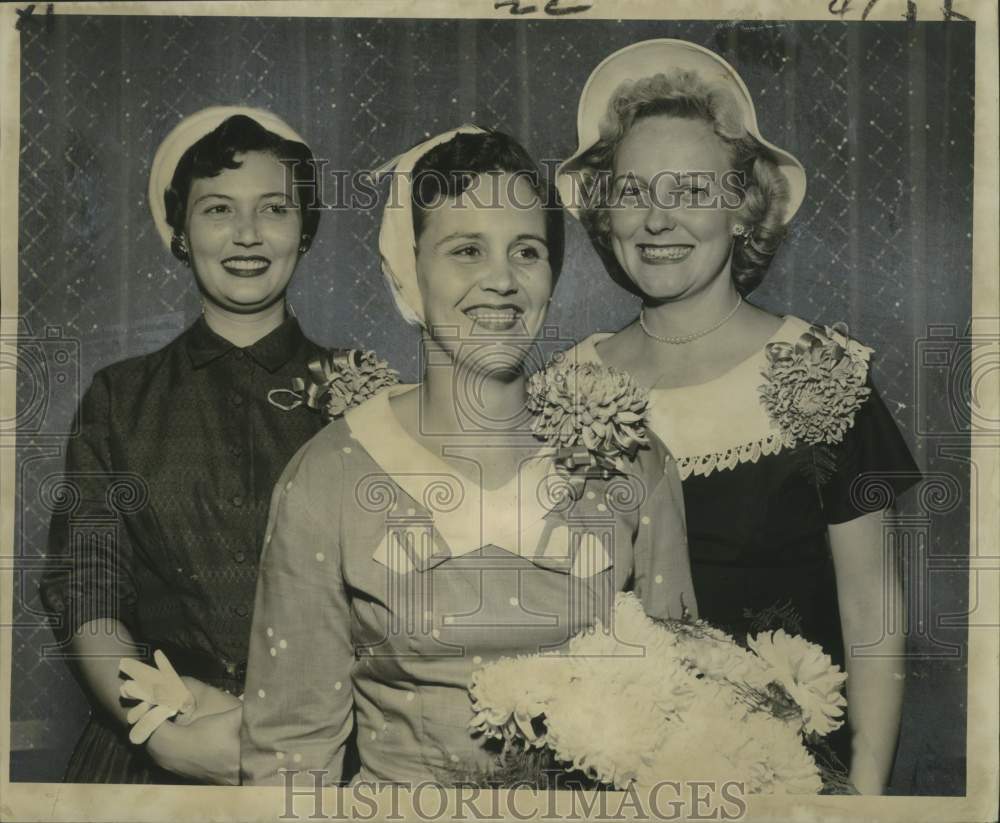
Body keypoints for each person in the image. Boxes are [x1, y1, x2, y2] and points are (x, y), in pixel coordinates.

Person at [240, 127, 696, 786]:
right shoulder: (330, 476)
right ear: (408, 271)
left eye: (527, 251)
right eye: (467, 250)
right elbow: (288, 760)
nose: (502, 281)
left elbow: (690, 718)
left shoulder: (632, 461)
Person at [555, 39, 921, 794]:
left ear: (741, 207)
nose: (657, 220)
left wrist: (868, 791)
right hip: (611, 781)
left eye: (690, 192)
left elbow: (873, 611)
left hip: (792, 784)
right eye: (634, 192)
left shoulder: (818, 371)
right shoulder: (571, 384)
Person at [39, 107, 334, 784]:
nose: (248, 235)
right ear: (180, 232)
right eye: (218, 210)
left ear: (305, 228)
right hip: (150, 752)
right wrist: (158, 727)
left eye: (274, 209)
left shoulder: (365, 394)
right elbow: (88, 589)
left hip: (320, 753)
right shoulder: (118, 399)